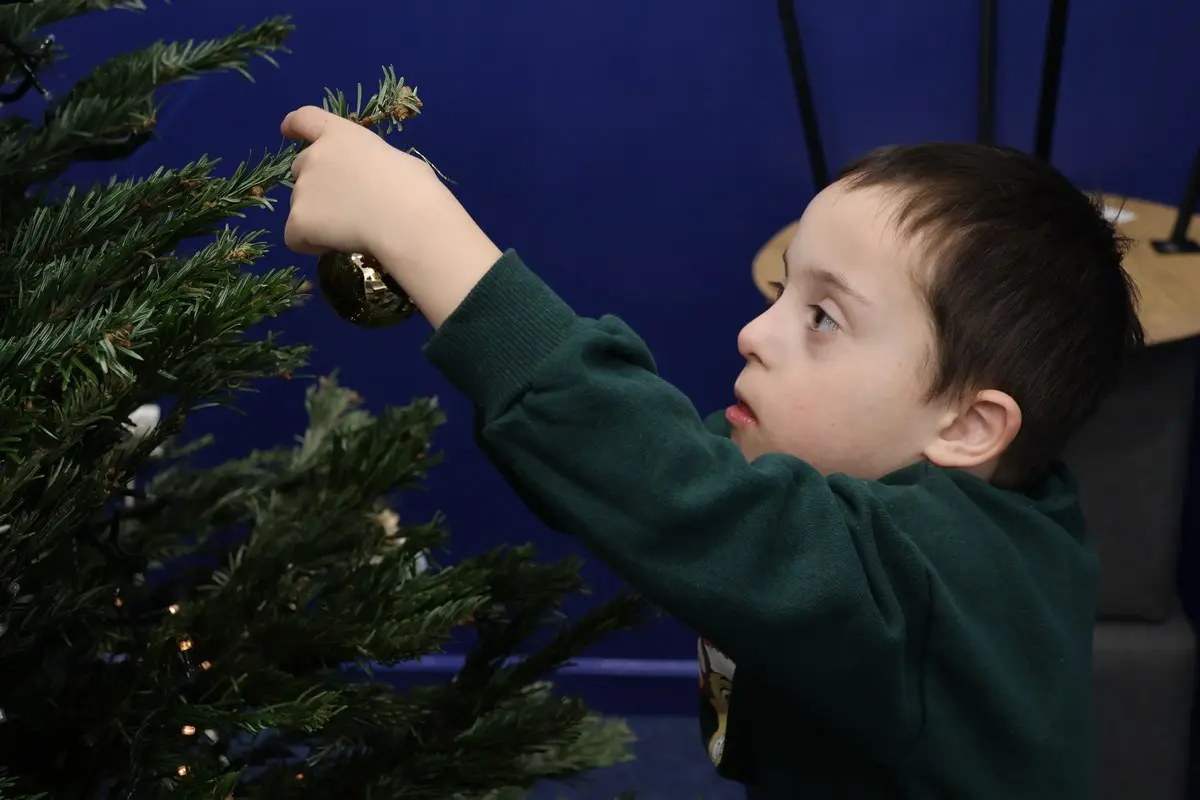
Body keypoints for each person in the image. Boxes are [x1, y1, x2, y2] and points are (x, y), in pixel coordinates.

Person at [279, 105, 1143, 799]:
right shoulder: (890, 513)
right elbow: (649, 478)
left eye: (823, 319)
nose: (753, 332)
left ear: (965, 426)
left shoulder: (938, 584)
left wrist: (426, 237)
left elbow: (684, 495)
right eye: (781, 290)